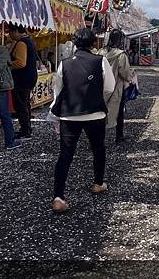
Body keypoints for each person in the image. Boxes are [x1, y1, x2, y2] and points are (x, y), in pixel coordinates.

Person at [49, 28, 115, 213]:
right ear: (94, 43)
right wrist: (95, 96)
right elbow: (110, 87)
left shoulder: (65, 63)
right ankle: (98, 183)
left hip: (69, 114)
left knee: (65, 155)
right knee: (98, 149)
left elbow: (58, 89)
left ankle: (58, 197)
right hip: (95, 113)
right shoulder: (100, 61)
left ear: (75, 43)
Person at [100, 29, 131, 143]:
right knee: (119, 112)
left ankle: (99, 137)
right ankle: (119, 135)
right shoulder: (121, 55)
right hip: (116, 87)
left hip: (101, 87)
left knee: (100, 112)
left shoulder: (101, 53)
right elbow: (125, 73)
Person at [8, 23, 38, 140]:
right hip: (29, 77)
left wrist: (9, 65)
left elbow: (21, 63)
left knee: (21, 105)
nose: (9, 35)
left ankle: (25, 131)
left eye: (10, 32)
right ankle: (26, 129)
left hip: (22, 79)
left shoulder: (21, 43)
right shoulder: (28, 40)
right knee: (25, 104)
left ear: (15, 31)